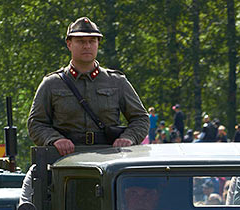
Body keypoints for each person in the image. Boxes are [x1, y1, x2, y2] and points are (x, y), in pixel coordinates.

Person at [27, 17, 149, 155]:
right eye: (80, 41)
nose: (87, 46)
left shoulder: (116, 81)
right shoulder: (52, 83)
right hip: (64, 158)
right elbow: (35, 123)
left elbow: (141, 118)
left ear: (98, 44)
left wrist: (128, 138)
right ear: (69, 44)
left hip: (109, 157)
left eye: (92, 41)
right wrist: (55, 139)